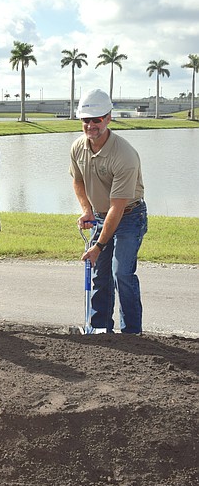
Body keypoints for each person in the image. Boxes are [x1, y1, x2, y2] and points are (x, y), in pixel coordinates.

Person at [70, 88, 147, 334]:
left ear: (108, 118)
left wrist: (99, 246)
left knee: (121, 272)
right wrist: (87, 210)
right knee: (99, 275)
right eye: (86, 120)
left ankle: (132, 333)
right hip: (102, 215)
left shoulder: (124, 155)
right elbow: (78, 181)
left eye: (97, 119)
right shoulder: (78, 148)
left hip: (129, 215)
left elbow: (118, 206)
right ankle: (100, 328)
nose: (91, 125)